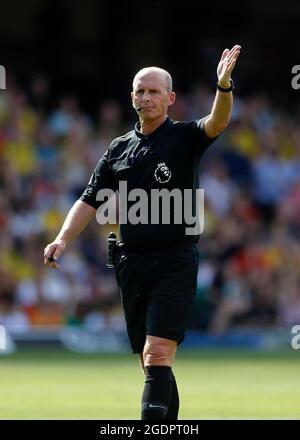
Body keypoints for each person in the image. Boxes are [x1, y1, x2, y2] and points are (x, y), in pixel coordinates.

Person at [44, 44, 241, 420]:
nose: (146, 97)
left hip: (175, 261)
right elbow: (89, 199)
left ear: (170, 98)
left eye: (154, 91)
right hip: (130, 263)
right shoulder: (117, 148)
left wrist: (224, 86)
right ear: (131, 97)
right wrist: (62, 239)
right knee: (151, 363)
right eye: (140, 90)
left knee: (157, 354)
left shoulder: (184, 137)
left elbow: (217, 122)